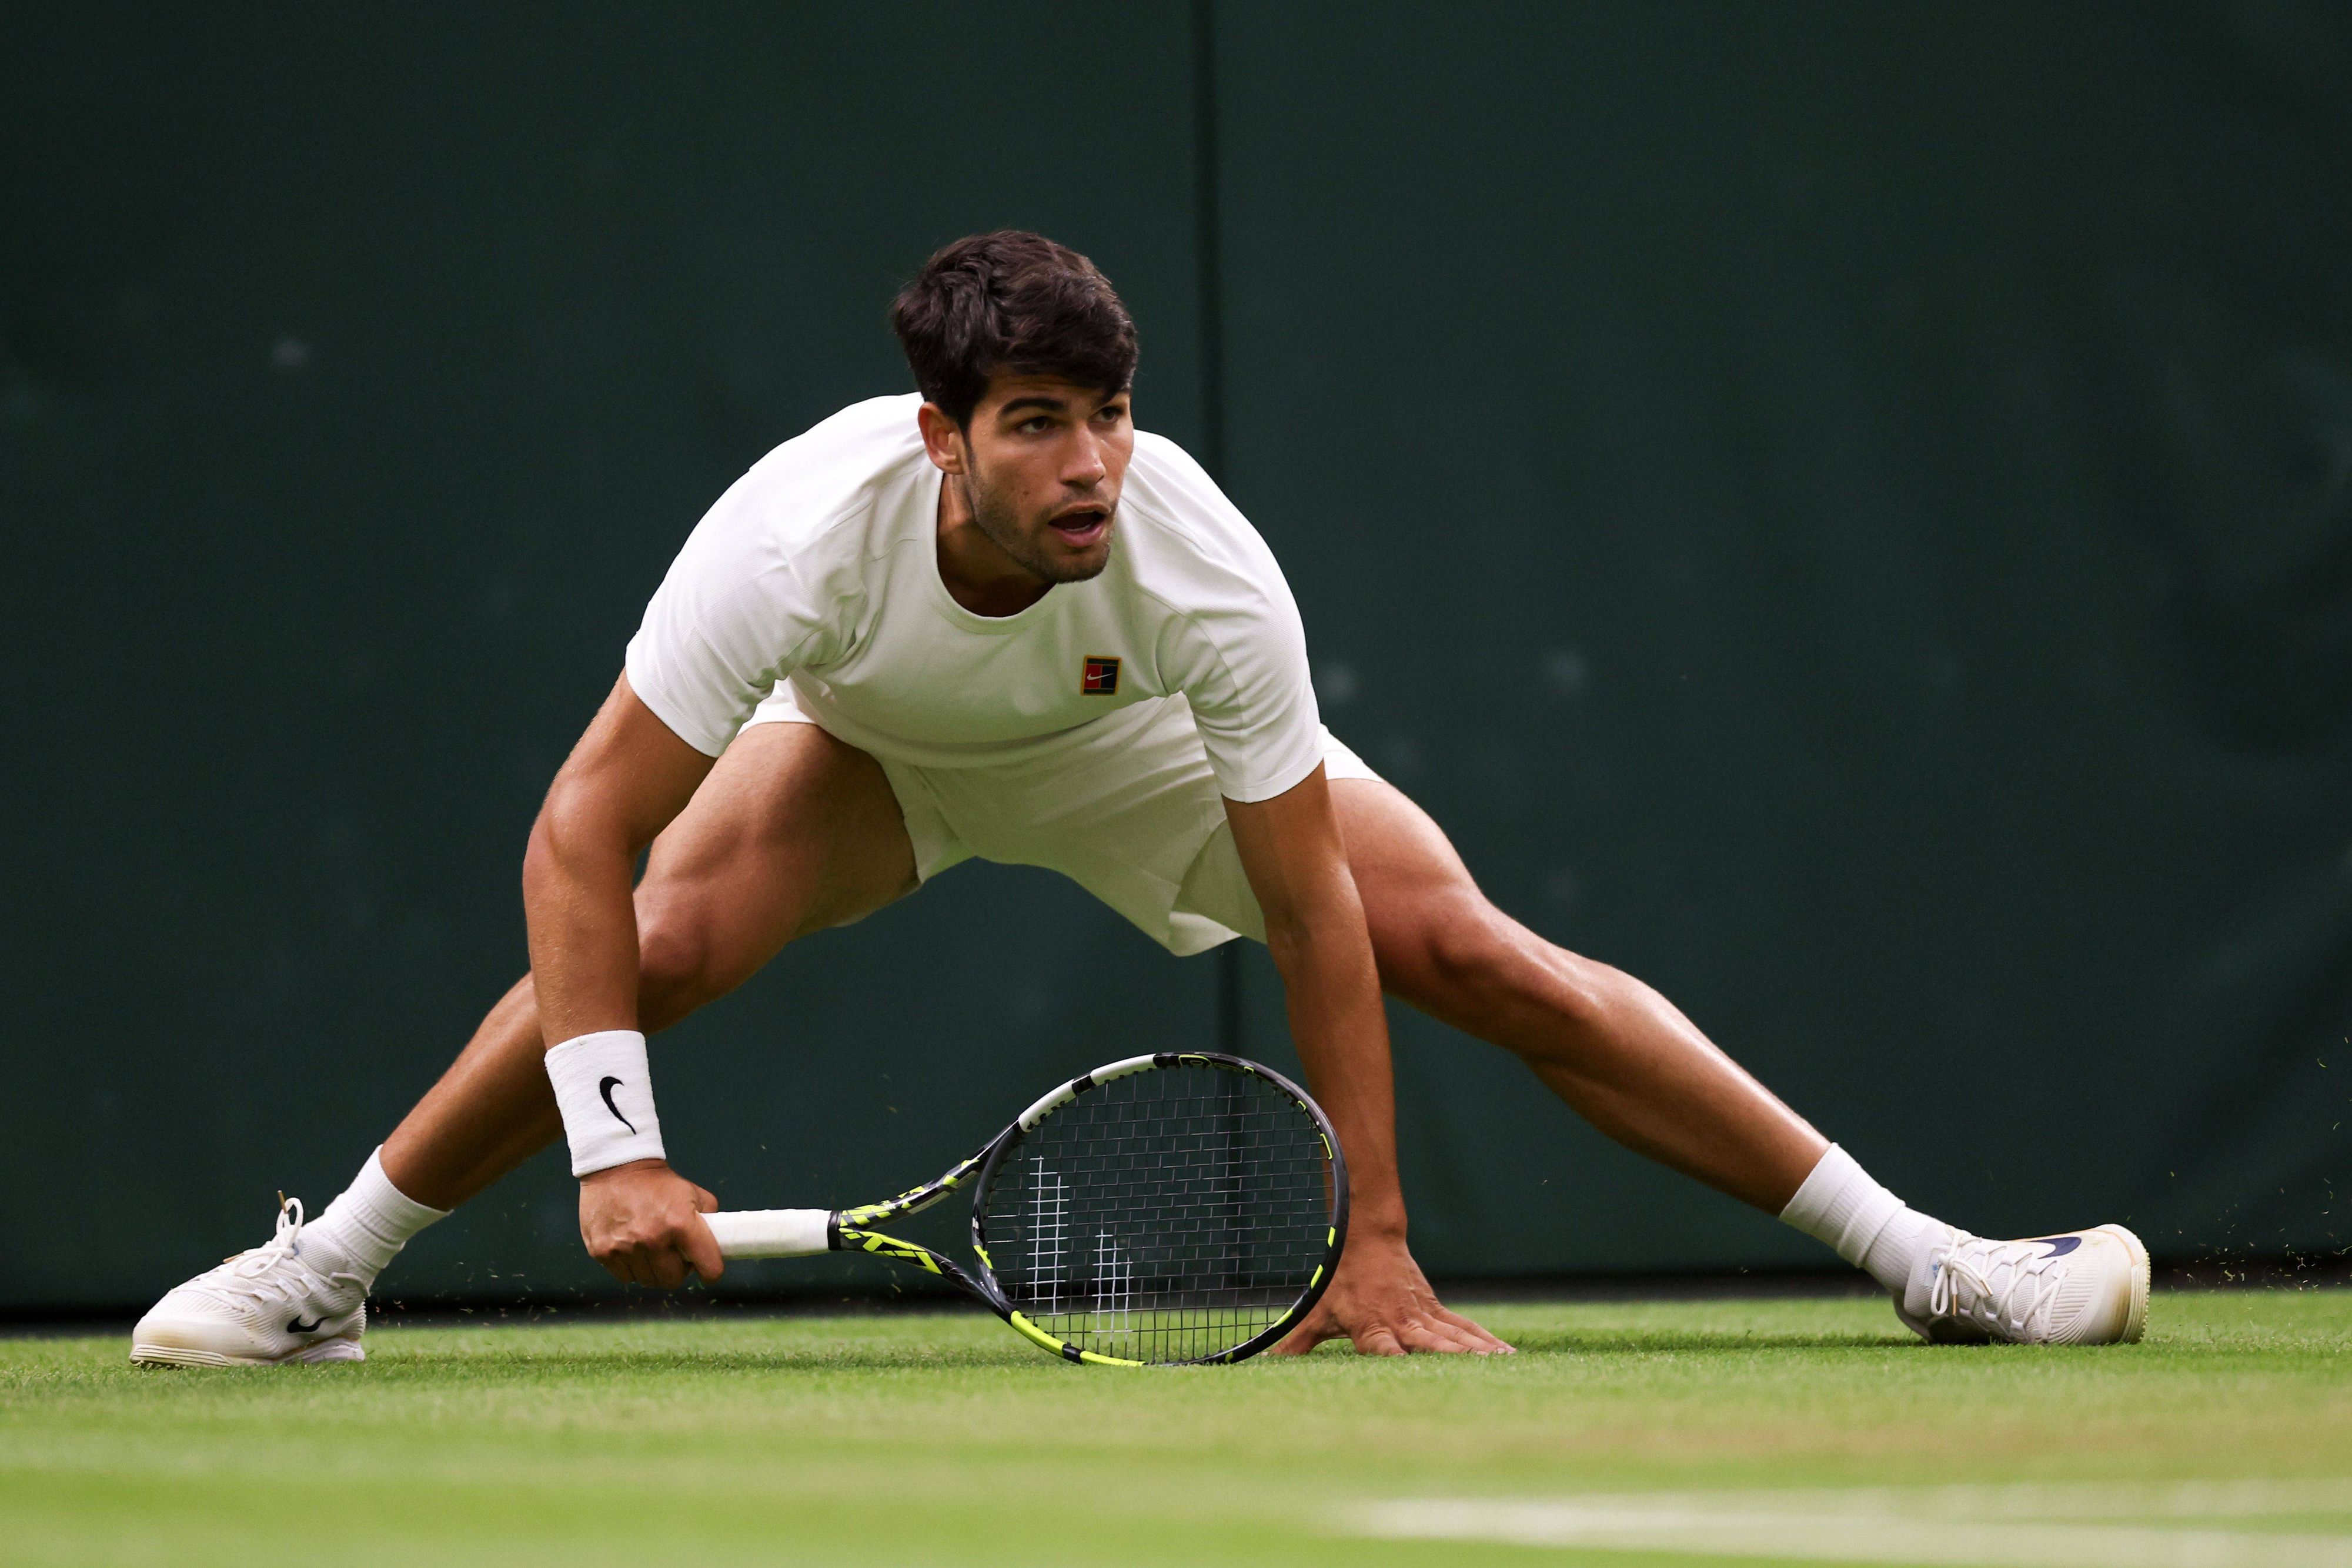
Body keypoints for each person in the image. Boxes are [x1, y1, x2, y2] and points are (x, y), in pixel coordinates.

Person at [131, 231, 2147, 1367]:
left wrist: (1375, 1239)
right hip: (877, 750)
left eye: (1108, 413)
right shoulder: (793, 540)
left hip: (1138, 749)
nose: (1090, 462)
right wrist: (615, 1153)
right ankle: (321, 1277)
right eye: (1037, 425)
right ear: (941, 439)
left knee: (1474, 949)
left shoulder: (1202, 568)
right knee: (643, 943)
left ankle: (1939, 1260)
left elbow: (1317, 909)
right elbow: (579, 828)